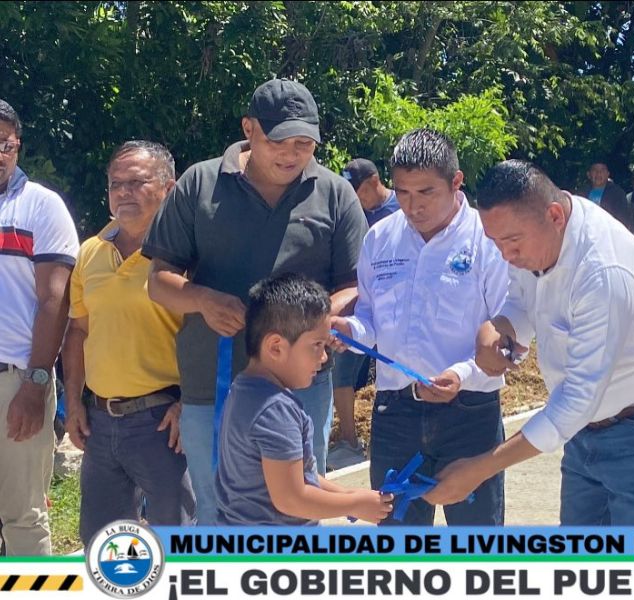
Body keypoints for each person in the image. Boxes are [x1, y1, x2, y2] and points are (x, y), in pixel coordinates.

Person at [423, 159, 634, 526]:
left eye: (512, 242)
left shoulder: (602, 270)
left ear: (554, 215)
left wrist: (479, 469)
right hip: (586, 427)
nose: (506, 256)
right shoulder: (537, 235)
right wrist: (498, 329)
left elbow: (577, 399)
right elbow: (522, 301)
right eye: (495, 243)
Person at [142, 79, 368, 524]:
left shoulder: (335, 193)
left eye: (304, 143)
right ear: (249, 128)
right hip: (213, 383)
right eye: (278, 141)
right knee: (216, 510)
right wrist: (203, 300)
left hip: (303, 384)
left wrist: (328, 317)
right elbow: (159, 282)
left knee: (300, 508)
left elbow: (358, 284)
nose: (291, 154)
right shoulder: (200, 183)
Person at [331, 129, 508, 526]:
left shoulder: (488, 240)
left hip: (470, 413)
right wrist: (351, 331)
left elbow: (506, 333)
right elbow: (371, 320)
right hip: (396, 411)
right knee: (396, 538)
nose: (413, 206)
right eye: (403, 192)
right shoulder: (380, 239)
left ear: (456, 181)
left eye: (426, 192)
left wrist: (461, 375)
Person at [61, 141, 196, 545]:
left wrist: (190, 404)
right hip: (100, 422)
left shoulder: (189, 255)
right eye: (115, 184)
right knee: (102, 544)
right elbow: (78, 332)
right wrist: (73, 403)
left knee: (178, 540)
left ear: (169, 188)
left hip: (164, 421)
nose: (123, 193)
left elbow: (211, 334)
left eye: (136, 182)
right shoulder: (90, 252)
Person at [215, 273, 392, 525]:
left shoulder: (245, 390)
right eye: (317, 345)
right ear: (276, 347)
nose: (324, 357)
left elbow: (299, 473)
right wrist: (354, 504)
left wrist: (348, 496)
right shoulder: (275, 409)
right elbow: (291, 498)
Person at [0, 100, 79, 555]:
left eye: (5, 144)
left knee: (23, 517)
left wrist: (35, 383)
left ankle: (33, 587)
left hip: (14, 382)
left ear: (18, 146)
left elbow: (55, 301)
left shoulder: (41, 206)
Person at [328, 158, 401, 470]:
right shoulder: (354, 213)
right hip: (359, 308)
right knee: (342, 370)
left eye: (359, 192)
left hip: (394, 309)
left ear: (374, 182)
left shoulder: (402, 211)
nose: (356, 199)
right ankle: (349, 440)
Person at [586, 162, 632, 229]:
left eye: (602, 170)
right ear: (588, 174)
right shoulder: (581, 193)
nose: (598, 173)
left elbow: (623, 218)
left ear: (608, 174)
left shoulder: (617, 193)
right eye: (595, 170)